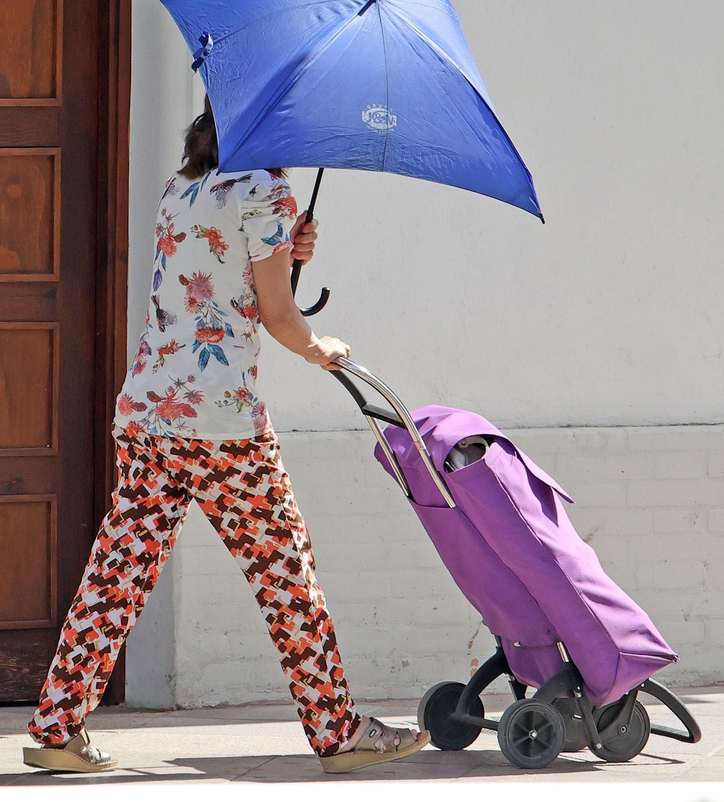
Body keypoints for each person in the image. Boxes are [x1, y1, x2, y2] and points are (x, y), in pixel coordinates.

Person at [23, 97, 430, 775]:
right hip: (223, 428)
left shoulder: (179, 187)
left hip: (149, 411)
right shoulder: (267, 189)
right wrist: (316, 344)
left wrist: (284, 247)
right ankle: (337, 732)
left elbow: (214, 285)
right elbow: (274, 311)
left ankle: (57, 727)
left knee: (118, 571)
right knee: (285, 576)